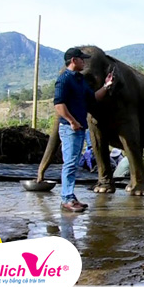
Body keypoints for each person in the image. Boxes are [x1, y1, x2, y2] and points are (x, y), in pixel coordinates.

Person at [54, 47, 113, 212]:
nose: (84, 62)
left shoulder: (79, 79)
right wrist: (72, 121)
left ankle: (70, 197)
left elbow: (93, 98)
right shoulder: (64, 80)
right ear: (74, 60)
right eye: (82, 59)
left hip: (79, 128)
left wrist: (107, 86)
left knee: (72, 164)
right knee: (70, 163)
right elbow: (59, 105)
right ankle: (67, 199)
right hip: (70, 128)